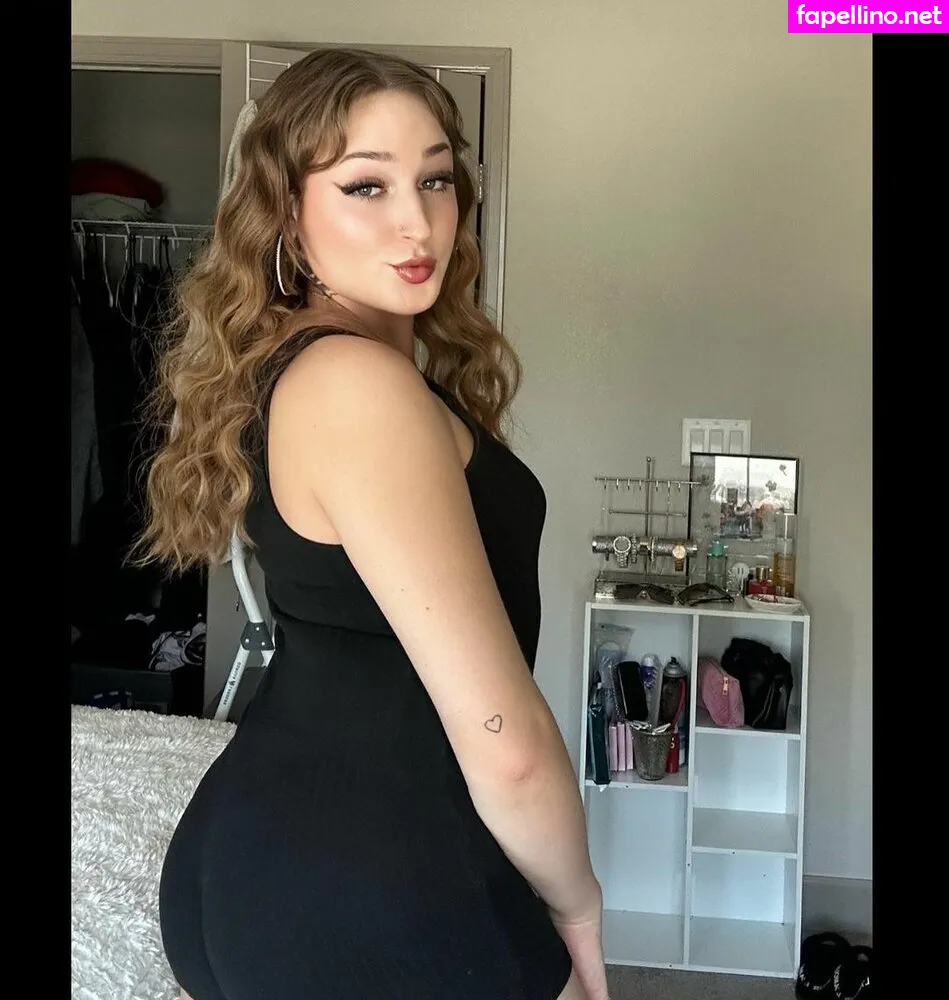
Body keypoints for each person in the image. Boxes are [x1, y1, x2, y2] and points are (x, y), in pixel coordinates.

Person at [138, 47, 609, 1000]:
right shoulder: (357, 383)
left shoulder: (314, 361)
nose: (417, 221)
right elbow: (504, 738)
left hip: (275, 860)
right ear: (286, 214)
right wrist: (577, 910)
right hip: (368, 890)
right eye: (365, 185)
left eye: (434, 179)